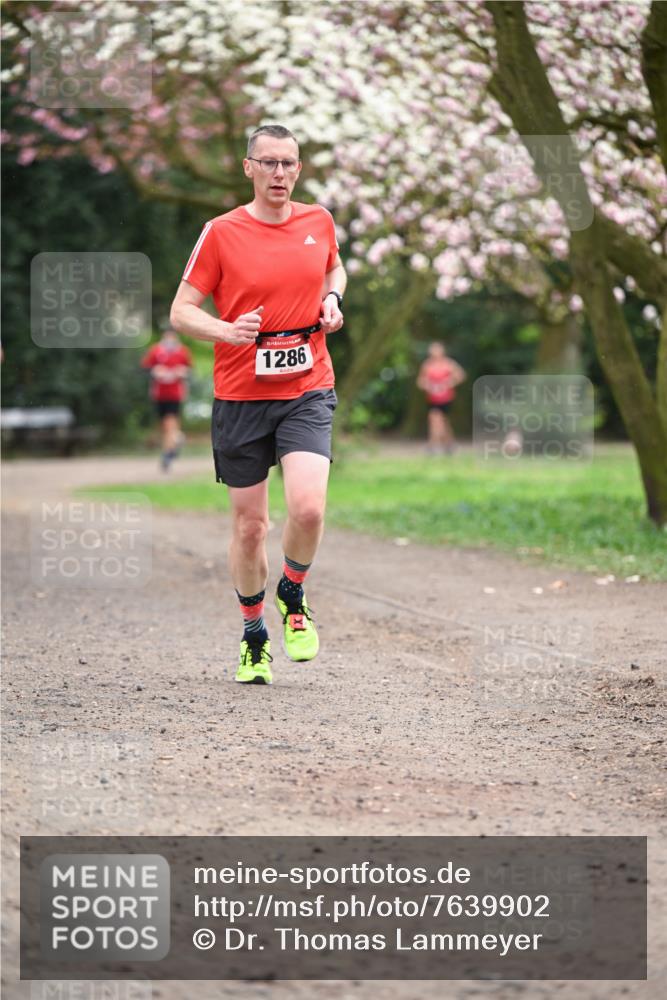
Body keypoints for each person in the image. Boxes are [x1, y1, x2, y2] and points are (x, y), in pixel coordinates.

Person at [169, 124, 346, 685]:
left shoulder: (318, 221)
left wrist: (333, 299)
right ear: (248, 168)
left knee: (309, 508)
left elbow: (333, 268)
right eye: (267, 163)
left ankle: (292, 591)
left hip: (307, 386)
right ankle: (253, 635)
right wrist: (226, 330)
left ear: (299, 168)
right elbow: (181, 311)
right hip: (242, 395)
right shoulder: (221, 232)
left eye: (288, 163)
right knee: (250, 528)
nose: (279, 173)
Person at [141, 325, 192, 471]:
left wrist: (182, 372)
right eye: (167, 336)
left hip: (175, 393)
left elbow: (189, 370)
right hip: (159, 393)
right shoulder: (156, 350)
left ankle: (167, 455)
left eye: (172, 337)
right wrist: (155, 371)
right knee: (165, 426)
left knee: (170, 423)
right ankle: (178, 439)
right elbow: (145, 367)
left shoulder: (182, 351)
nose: (170, 339)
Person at [416, 342, 466, 454]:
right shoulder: (427, 365)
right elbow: (420, 381)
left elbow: (461, 375)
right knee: (438, 419)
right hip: (433, 398)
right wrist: (428, 386)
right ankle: (447, 444)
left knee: (438, 419)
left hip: (446, 398)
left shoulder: (448, 363)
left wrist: (447, 383)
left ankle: (434, 445)